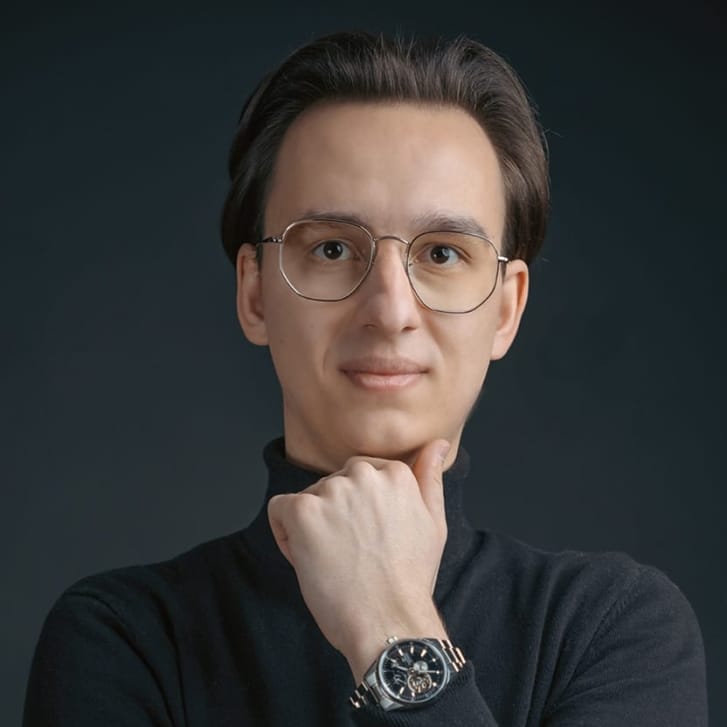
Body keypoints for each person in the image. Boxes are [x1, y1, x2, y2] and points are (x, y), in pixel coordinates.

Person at [23, 31, 708, 726]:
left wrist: (390, 623)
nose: (388, 309)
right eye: (330, 248)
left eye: (442, 252)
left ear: (505, 310)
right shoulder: (123, 639)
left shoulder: (611, 629)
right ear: (255, 294)